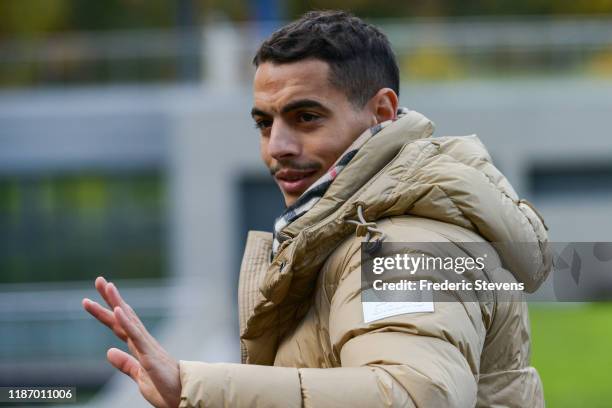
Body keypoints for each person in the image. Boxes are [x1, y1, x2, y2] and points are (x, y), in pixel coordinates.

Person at [83, 10, 552, 408]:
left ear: (383, 113)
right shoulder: (350, 226)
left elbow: (412, 394)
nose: (277, 148)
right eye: (264, 124)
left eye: (306, 117)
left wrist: (195, 386)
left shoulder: (396, 243)